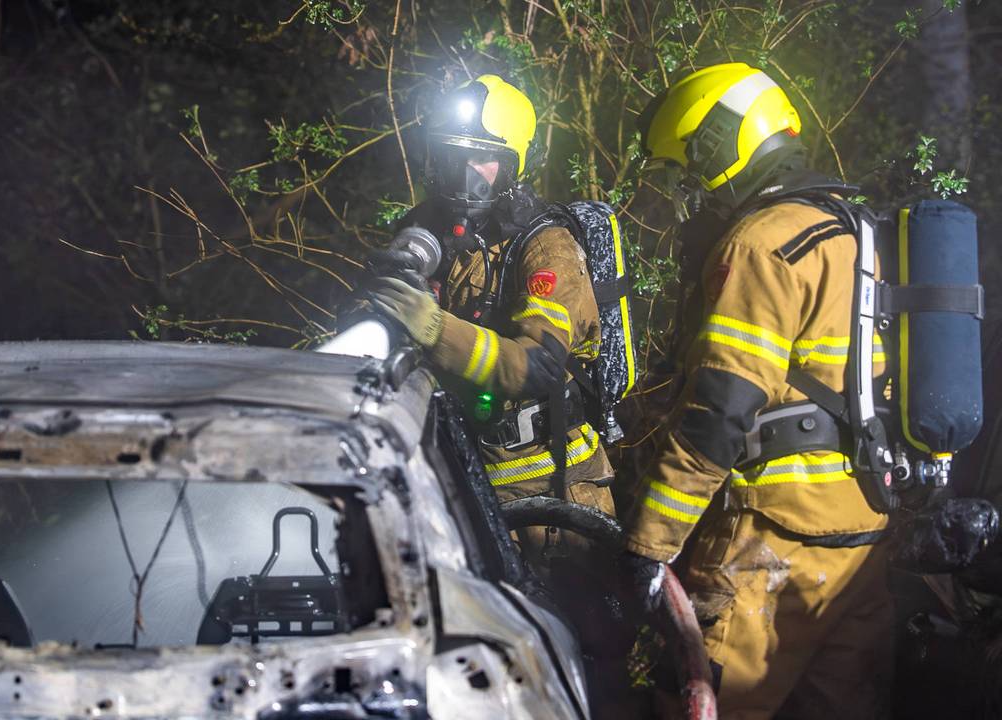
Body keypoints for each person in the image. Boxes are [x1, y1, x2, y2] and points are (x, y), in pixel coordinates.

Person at [624, 63, 893, 718]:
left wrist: (650, 546)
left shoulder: (762, 241)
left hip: (767, 551)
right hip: (864, 543)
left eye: (691, 171)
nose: (694, 195)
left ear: (720, 147)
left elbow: (717, 415)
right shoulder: (856, 233)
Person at [358, 73, 615, 517]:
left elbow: (539, 367)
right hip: (454, 479)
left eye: (482, 157)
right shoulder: (425, 232)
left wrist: (434, 329)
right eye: (453, 154)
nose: (464, 172)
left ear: (514, 164)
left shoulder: (544, 246)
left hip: (550, 491)